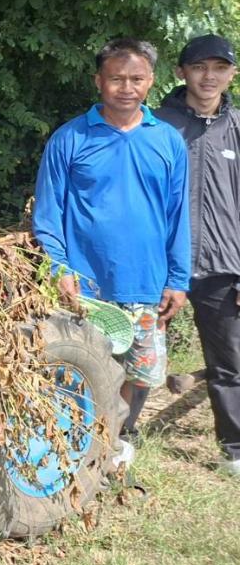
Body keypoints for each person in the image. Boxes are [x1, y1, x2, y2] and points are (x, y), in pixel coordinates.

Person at [34, 38, 190, 449]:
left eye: (136, 78)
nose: (126, 87)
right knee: (79, 372)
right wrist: (59, 268)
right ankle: (75, 446)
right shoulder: (70, 139)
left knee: (138, 375)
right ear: (98, 81)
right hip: (86, 291)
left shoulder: (168, 141)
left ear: (151, 82)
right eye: (116, 78)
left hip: (148, 286)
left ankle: (113, 443)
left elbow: (177, 216)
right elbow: (48, 217)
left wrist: (178, 279)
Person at [155, 34, 240, 476]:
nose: (210, 76)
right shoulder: (156, 125)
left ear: (232, 74)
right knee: (138, 353)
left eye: (219, 68)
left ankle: (234, 450)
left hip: (223, 266)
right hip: (162, 263)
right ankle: (121, 439)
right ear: (181, 72)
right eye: (200, 67)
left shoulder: (238, 128)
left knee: (229, 362)